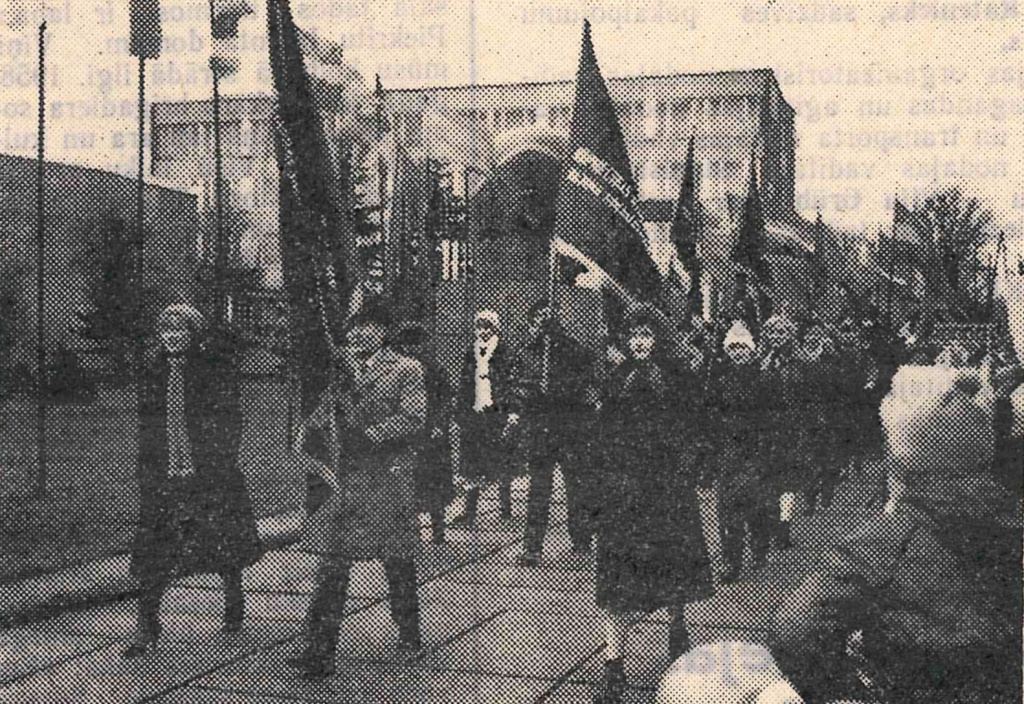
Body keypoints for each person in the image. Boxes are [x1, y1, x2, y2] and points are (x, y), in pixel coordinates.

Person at [771, 359, 1023, 703]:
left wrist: (844, 691)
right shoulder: (1010, 518)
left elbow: (793, 629)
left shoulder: (888, 539)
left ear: (901, 459)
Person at [288, 307, 426, 679]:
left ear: (384, 332)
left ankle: (409, 634)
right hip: (348, 480)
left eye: (371, 327)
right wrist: (309, 430)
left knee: (397, 559)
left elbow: (413, 418)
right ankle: (319, 649)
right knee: (333, 561)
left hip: (386, 478)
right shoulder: (343, 371)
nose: (362, 334)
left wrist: (372, 434)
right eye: (356, 328)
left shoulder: (406, 369)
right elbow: (323, 413)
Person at [123, 303, 262, 658]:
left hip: (208, 475)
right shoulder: (153, 370)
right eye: (166, 330)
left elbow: (232, 419)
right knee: (154, 549)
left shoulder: (212, 369)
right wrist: (147, 468)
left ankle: (233, 599)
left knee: (222, 545)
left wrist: (219, 460)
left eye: (180, 330)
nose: (172, 337)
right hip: (164, 477)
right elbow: (147, 424)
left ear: (193, 333)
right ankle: (147, 625)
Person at [592, 309, 713, 704]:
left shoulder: (677, 379)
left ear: (657, 338)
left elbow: (695, 428)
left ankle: (677, 627)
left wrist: (686, 466)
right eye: (633, 335)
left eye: (646, 335)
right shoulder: (614, 379)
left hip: (667, 494)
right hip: (623, 496)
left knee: (673, 570)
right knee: (617, 585)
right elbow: (603, 435)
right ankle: (614, 667)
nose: (639, 342)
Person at [512, 300, 600, 567]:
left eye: (549, 318)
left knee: (576, 486)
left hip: (570, 427)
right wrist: (528, 395)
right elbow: (517, 385)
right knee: (539, 489)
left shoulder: (573, 350)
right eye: (538, 318)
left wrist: (565, 388)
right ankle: (533, 546)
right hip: (541, 428)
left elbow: (589, 380)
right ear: (532, 322)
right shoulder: (526, 352)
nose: (544, 324)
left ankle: (582, 540)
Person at [706, 320, 771, 582]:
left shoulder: (762, 378)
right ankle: (731, 562)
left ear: (751, 350)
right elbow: (710, 412)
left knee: (756, 508)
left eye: (743, 348)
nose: (738, 353)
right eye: (733, 349)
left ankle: (759, 549)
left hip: (755, 451)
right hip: (728, 452)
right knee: (728, 512)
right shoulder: (720, 379)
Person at [453, 309, 517, 527]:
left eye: (487, 326)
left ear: (495, 328)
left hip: (496, 413)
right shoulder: (469, 353)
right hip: (474, 413)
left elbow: (509, 383)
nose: (483, 331)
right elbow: (464, 383)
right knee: (471, 463)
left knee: (500, 461)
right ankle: (469, 512)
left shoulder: (504, 352)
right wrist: (461, 411)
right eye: (479, 326)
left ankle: (505, 511)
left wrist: (510, 411)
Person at [394, 324, 455, 545]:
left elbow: (446, 400)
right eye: (407, 346)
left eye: (415, 345)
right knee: (411, 486)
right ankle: (415, 534)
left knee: (434, 485)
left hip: (432, 436)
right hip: (409, 435)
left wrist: (439, 424)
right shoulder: (401, 370)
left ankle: (438, 533)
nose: (411, 350)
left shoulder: (434, 370)